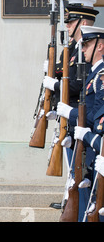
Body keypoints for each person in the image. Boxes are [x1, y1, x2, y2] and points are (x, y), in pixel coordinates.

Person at [57, 25, 104, 221]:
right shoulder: (94, 75)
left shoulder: (101, 76)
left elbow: (95, 116)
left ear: (100, 46)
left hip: (96, 147)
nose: (82, 49)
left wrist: (72, 114)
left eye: (87, 44)